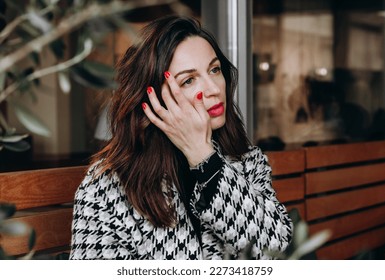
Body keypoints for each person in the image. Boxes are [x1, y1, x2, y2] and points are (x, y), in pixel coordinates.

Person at [70, 15, 292, 260]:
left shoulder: (247, 162)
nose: (214, 88)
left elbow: (277, 254)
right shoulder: (108, 185)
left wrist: (204, 158)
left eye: (214, 69)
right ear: (152, 99)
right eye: (188, 80)